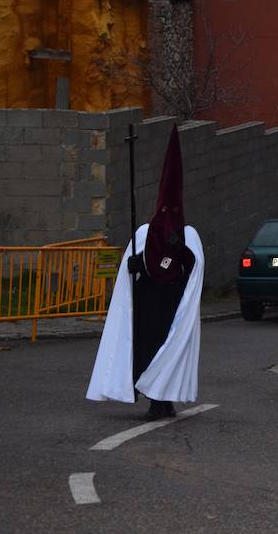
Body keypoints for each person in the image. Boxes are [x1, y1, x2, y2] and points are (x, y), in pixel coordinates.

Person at [87, 125, 205, 420]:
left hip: (172, 310)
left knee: (170, 352)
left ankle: (164, 400)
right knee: (149, 351)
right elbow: (131, 272)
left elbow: (193, 274)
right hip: (148, 309)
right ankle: (154, 399)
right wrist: (134, 268)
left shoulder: (189, 237)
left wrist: (177, 255)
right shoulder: (143, 234)